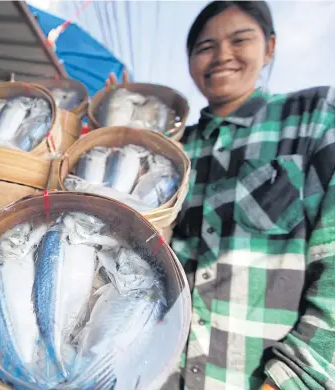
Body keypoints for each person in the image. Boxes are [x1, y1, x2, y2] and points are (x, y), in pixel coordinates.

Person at [108, 1, 334, 389]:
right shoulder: (174, 151)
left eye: (240, 39)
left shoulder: (311, 116)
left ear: (270, 47)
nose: (222, 55)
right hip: (155, 374)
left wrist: (293, 378)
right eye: (205, 47)